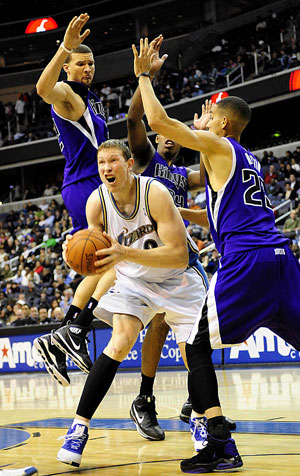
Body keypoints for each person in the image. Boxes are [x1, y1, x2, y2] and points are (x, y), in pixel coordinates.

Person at [132, 37, 300, 473]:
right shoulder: (244, 159)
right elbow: (217, 213)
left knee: (196, 346)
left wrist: (145, 76)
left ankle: (220, 444)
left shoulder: (219, 146)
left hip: (247, 263)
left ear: (223, 125)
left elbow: (157, 121)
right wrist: (174, 210)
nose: (202, 119)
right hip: (282, 261)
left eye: (209, 115)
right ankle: (219, 441)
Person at [56, 139, 207, 467]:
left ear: (129, 165)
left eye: (113, 161)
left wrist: (125, 252)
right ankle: (78, 428)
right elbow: (95, 253)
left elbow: (179, 254)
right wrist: (76, 249)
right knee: (120, 341)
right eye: (101, 163)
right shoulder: (96, 203)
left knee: (191, 352)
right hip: (134, 280)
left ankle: (200, 419)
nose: (107, 168)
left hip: (178, 277)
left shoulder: (154, 193)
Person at [126, 36, 209, 439]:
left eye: (177, 135)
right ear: (158, 141)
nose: (170, 138)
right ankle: (144, 397)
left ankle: (197, 396)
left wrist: (203, 136)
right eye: (165, 135)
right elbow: (132, 123)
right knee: (157, 323)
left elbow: (207, 177)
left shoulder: (182, 175)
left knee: (198, 320)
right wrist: (143, 79)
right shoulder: (147, 160)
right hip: (147, 249)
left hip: (179, 252)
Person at [34, 13, 113, 386]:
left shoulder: (92, 99)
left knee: (102, 267)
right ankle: (77, 329)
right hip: (85, 185)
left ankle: (61, 336)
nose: (88, 68)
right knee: (119, 258)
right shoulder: (66, 95)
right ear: (67, 67)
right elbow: (42, 88)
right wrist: (64, 46)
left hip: (92, 185)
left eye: (91, 63)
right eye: (81, 63)